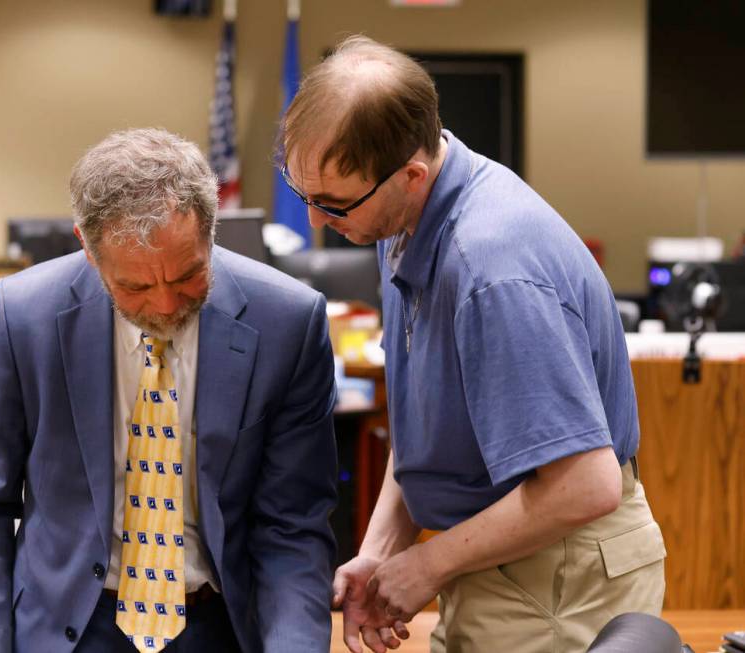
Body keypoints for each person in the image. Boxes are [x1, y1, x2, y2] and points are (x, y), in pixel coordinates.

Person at [279, 36, 666, 653]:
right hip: (502, 550)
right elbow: (431, 433)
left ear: (409, 174)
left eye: (330, 202)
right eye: (302, 193)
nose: (316, 222)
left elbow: (585, 485)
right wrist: (380, 553)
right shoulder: (402, 216)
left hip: (557, 574)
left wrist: (428, 566)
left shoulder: (492, 270)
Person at [0, 128, 337, 653]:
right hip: (66, 626)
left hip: (219, 624)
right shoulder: (26, 315)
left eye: (189, 275)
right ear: (88, 248)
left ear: (211, 232)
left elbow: (293, 526)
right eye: (136, 287)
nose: (166, 306)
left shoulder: (287, 321)